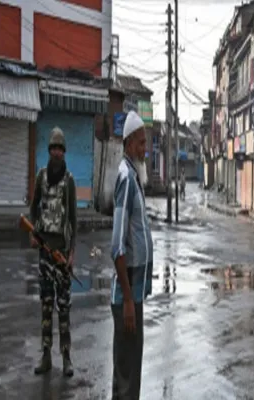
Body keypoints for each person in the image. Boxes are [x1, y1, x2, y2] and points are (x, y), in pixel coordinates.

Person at [110, 111, 154, 400]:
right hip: (127, 295)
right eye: (140, 143)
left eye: (145, 143)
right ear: (128, 143)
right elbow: (117, 246)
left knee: (129, 375)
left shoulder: (134, 176)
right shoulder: (126, 179)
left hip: (134, 294)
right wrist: (127, 300)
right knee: (126, 381)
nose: (144, 149)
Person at [30, 127, 77, 377]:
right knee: (46, 306)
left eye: (60, 149)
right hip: (45, 254)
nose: (57, 152)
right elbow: (33, 207)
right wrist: (32, 232)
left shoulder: (69, 180)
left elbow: (73, 219)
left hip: (62, 254)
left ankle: (66, 357)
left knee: (64, 307)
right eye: (53, 148)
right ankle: (46, 356)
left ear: (64, 152)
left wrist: (72, 253)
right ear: (49, 151)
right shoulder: (41, 176)